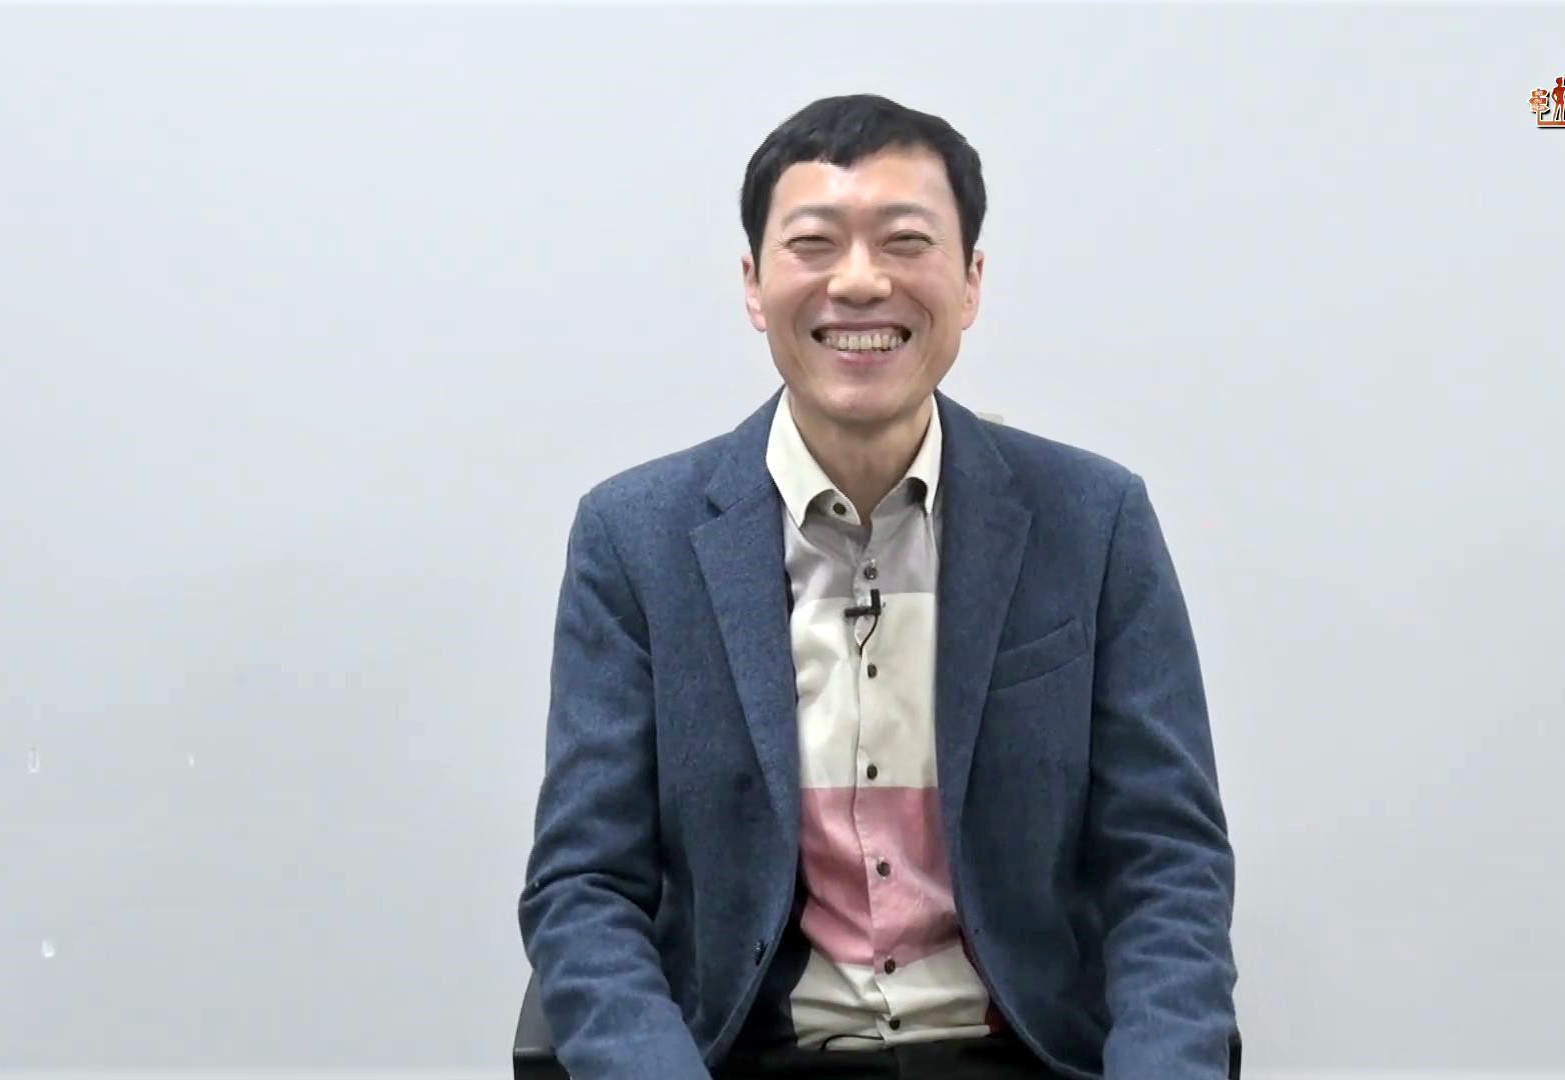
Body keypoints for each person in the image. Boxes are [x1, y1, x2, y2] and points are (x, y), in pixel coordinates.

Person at [519, 93, 1239, 1080]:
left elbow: (1167, 863)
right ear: (753, 284)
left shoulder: (1093, 520)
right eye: (814, 244)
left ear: (971, 281)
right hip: (751, 1058)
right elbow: (584, 887)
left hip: (1020, 1056)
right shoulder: (634, 540)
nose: (860, 281)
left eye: (905, 241)